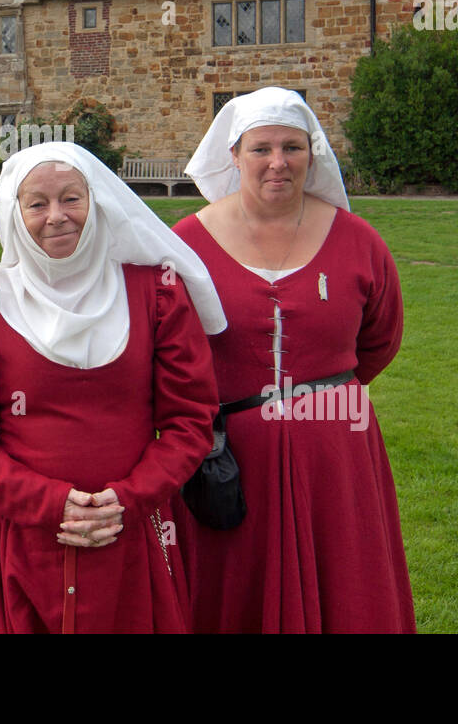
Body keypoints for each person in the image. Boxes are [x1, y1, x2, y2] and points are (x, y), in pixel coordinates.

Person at [0, 141, 224, 633]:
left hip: (132, 531)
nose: (57, 216)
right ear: (14, 213)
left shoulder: (156, 295)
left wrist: (130, 497)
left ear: (97, 201)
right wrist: (47, 503)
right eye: (37, 203)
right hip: (22, 537)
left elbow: (189, 419)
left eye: (72, 198)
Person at [173, 85, 415, 633]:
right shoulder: (187, 243)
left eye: (292, 148)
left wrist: (319, 396)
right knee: (232, 592)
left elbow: (380, 337)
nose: (277, 163)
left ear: (313, 154)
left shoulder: (358, 241)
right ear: (234, 155)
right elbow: (168, 348)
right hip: (229, 459)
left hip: (336, 452)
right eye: (261, 149)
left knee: (347, 585)